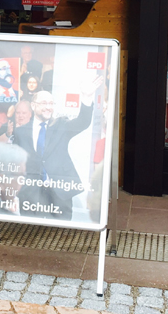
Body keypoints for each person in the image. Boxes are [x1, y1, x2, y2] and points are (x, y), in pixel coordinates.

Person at [12, 72, 101, 217]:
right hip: (32, 190)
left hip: (60, 189)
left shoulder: (61, 125)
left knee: (62, 230)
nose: (49, 107)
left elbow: (82, 122)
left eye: (51, 103)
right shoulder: (21, 131)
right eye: (44, 103)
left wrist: (86, 97)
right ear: (33, 106)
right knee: (30, 230)